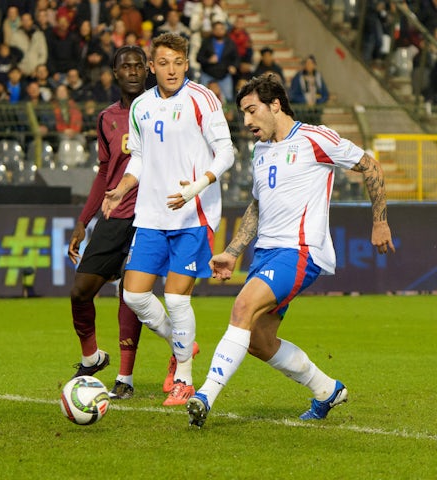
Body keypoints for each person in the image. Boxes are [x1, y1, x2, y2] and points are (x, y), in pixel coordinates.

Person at [186, 73, 395, 428]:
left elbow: (370, 166)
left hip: (299, 251)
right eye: (244, 114)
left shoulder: (315, 138)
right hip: (266, 254)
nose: (247, 121)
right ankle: (327, 390)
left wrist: (379, 221)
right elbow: (257, 204)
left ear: (275, 105)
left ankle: (204, 396)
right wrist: (234, 251)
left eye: (252, 111)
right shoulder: (260, 150)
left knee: (242, 306)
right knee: (258, 341)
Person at [102, 33, 235, 406]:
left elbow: (227, 152)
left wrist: (198, 186)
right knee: (134, 294)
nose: (171, 69)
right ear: (151, 67)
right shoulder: (141, 106)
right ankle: (182, 346)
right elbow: (139, 159)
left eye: (178, 62)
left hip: (193, 214)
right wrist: (122, 188)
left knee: (176, 301)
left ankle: (184, 380)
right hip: (151, 214)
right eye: (163, 63)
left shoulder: (202, 99)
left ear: (187, 63)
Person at [67, 45, 148, 400]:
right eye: (124, 66)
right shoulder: (106, 118)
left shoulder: (161, 110)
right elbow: (105, 172)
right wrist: (84, 220)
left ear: (147, 70)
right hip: (115, 213)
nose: (132, 71)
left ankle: (125, 379)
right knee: (80, 290)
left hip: (151, 214)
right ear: (114, 73)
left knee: (130, 293)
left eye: (138, 65)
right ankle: (92, 357)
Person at [288, 55, 329, 125]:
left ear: (314, 65)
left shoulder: (318, 77)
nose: (309, 66)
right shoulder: (298, 77)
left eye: (311, 63)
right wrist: (305, 101)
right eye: (307, 64)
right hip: (301, 112)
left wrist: (318, 101)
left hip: (315, 111)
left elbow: (325, 94)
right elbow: (292, 95)